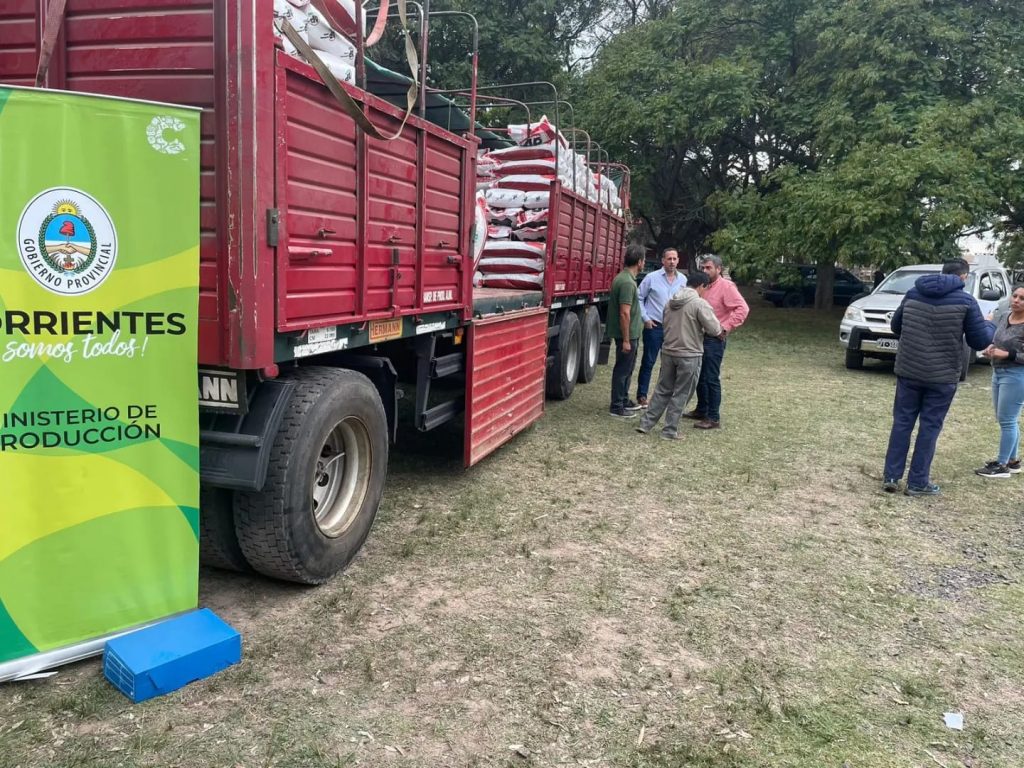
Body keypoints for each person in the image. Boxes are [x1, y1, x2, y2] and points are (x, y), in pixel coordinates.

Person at [882, 259, 994, 496]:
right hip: (942, 376)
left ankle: (891, 475)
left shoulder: (913, 293)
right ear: (963, 277)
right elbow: (979, 341)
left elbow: (896, 326)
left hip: (909, 370)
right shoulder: (966, 301)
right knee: (929, 427)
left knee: (902, 422)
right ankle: (917, 482)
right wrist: (989, 325)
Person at [636, 271, 721, 439]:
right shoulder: (699, 303)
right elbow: (715, 328)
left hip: (668, 351)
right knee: (682, 393)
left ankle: (646, 424)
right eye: (706, 288)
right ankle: (669, 430)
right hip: (689, 354)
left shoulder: (670, 302)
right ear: (701, 286)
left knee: (662, 389)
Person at [684, 255, 750, 429]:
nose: (705, 271)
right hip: (698, 337)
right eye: (703, 268)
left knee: (711, 377)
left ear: (718, 269)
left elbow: (742, 308)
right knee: (699, 375)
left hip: (714, 339)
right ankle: (701, 409)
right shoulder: (703, 287)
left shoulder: (726, 287)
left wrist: (725, 327)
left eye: (708, 268)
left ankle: (713, 417)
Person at [975, 285, 1024, 478]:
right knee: (1005, 418)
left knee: (1007, 420)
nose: (1017, 300)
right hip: (998, 371)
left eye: (1022, 298)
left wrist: (1008, 354)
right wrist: (992, 348)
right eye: (1015, 296)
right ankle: (1013, 461)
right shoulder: (1006, 316)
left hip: (1016, 374)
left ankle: (1001, 466)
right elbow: (998, 340)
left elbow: (1012, 352)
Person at [635, 248, 686, 407]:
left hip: (673, 329)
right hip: (654, 326)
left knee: (669, 365)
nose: (672, 262)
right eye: (669, 258)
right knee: (648, 362)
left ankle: (662, 397)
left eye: (674, 258)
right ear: (662, 260)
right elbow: (639, 297)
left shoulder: (683, 280)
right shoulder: (651, 278)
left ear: (678, 260)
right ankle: (642, 396)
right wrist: (645, 318)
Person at [607, 244, 645, 418]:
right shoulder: (627, 283)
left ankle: (623, 399)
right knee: (623, 369)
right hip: (627, 336)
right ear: (640, 262)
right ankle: (617, 406)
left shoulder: (626, 279)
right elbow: (624, 313)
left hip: (632, 334)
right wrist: (627, 340)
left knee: (627, 369)